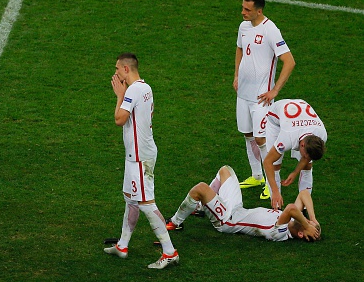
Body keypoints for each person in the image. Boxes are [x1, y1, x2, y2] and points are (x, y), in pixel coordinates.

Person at [103, 53, 179, 269]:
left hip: (140, 157)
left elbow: (119, 119)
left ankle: (170, 251)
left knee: (146, 204)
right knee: (131, 199)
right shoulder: (145, 88)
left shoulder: (133, 90)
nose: (116, 73)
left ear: (126, 69)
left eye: (118, 69)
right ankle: (123, 245)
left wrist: (119, 95)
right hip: (136, 155)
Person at [234, 0, 296, 200]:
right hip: (242, 93)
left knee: (262, 138)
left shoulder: (271, 30)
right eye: (243, 7)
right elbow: (239, 50)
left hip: (262, 98)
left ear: (258, 11)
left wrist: (275, 90)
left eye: (247, 9)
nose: (243, 12)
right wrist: (236, 75)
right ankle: (257, 175)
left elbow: (289, 61)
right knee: (248, 134)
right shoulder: (243, 27)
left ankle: (271, 183)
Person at [166, 165, 321, 242]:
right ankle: (201, 206)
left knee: (200, 189)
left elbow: (291, 208)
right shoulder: (295, 221)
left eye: (308, 225)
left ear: (301, 233)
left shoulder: (280, 233)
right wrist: (313, 219)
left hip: (227, 220)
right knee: (225, 171)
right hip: (236, 209)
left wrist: (307, 224)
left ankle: (175, 222)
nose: (307, 221)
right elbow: (303, 194)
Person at [263, 99, 327, 210]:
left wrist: (295, 172)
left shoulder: (321, 135)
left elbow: (306, 159)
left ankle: (303, 208)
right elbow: (267, 162)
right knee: (275, 165)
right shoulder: (287, 137)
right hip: (275, 118)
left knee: (307, 166)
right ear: (302, 145)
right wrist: (275, 191)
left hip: (298, 115)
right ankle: (276, 208)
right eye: (306, 156)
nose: (306, 159)